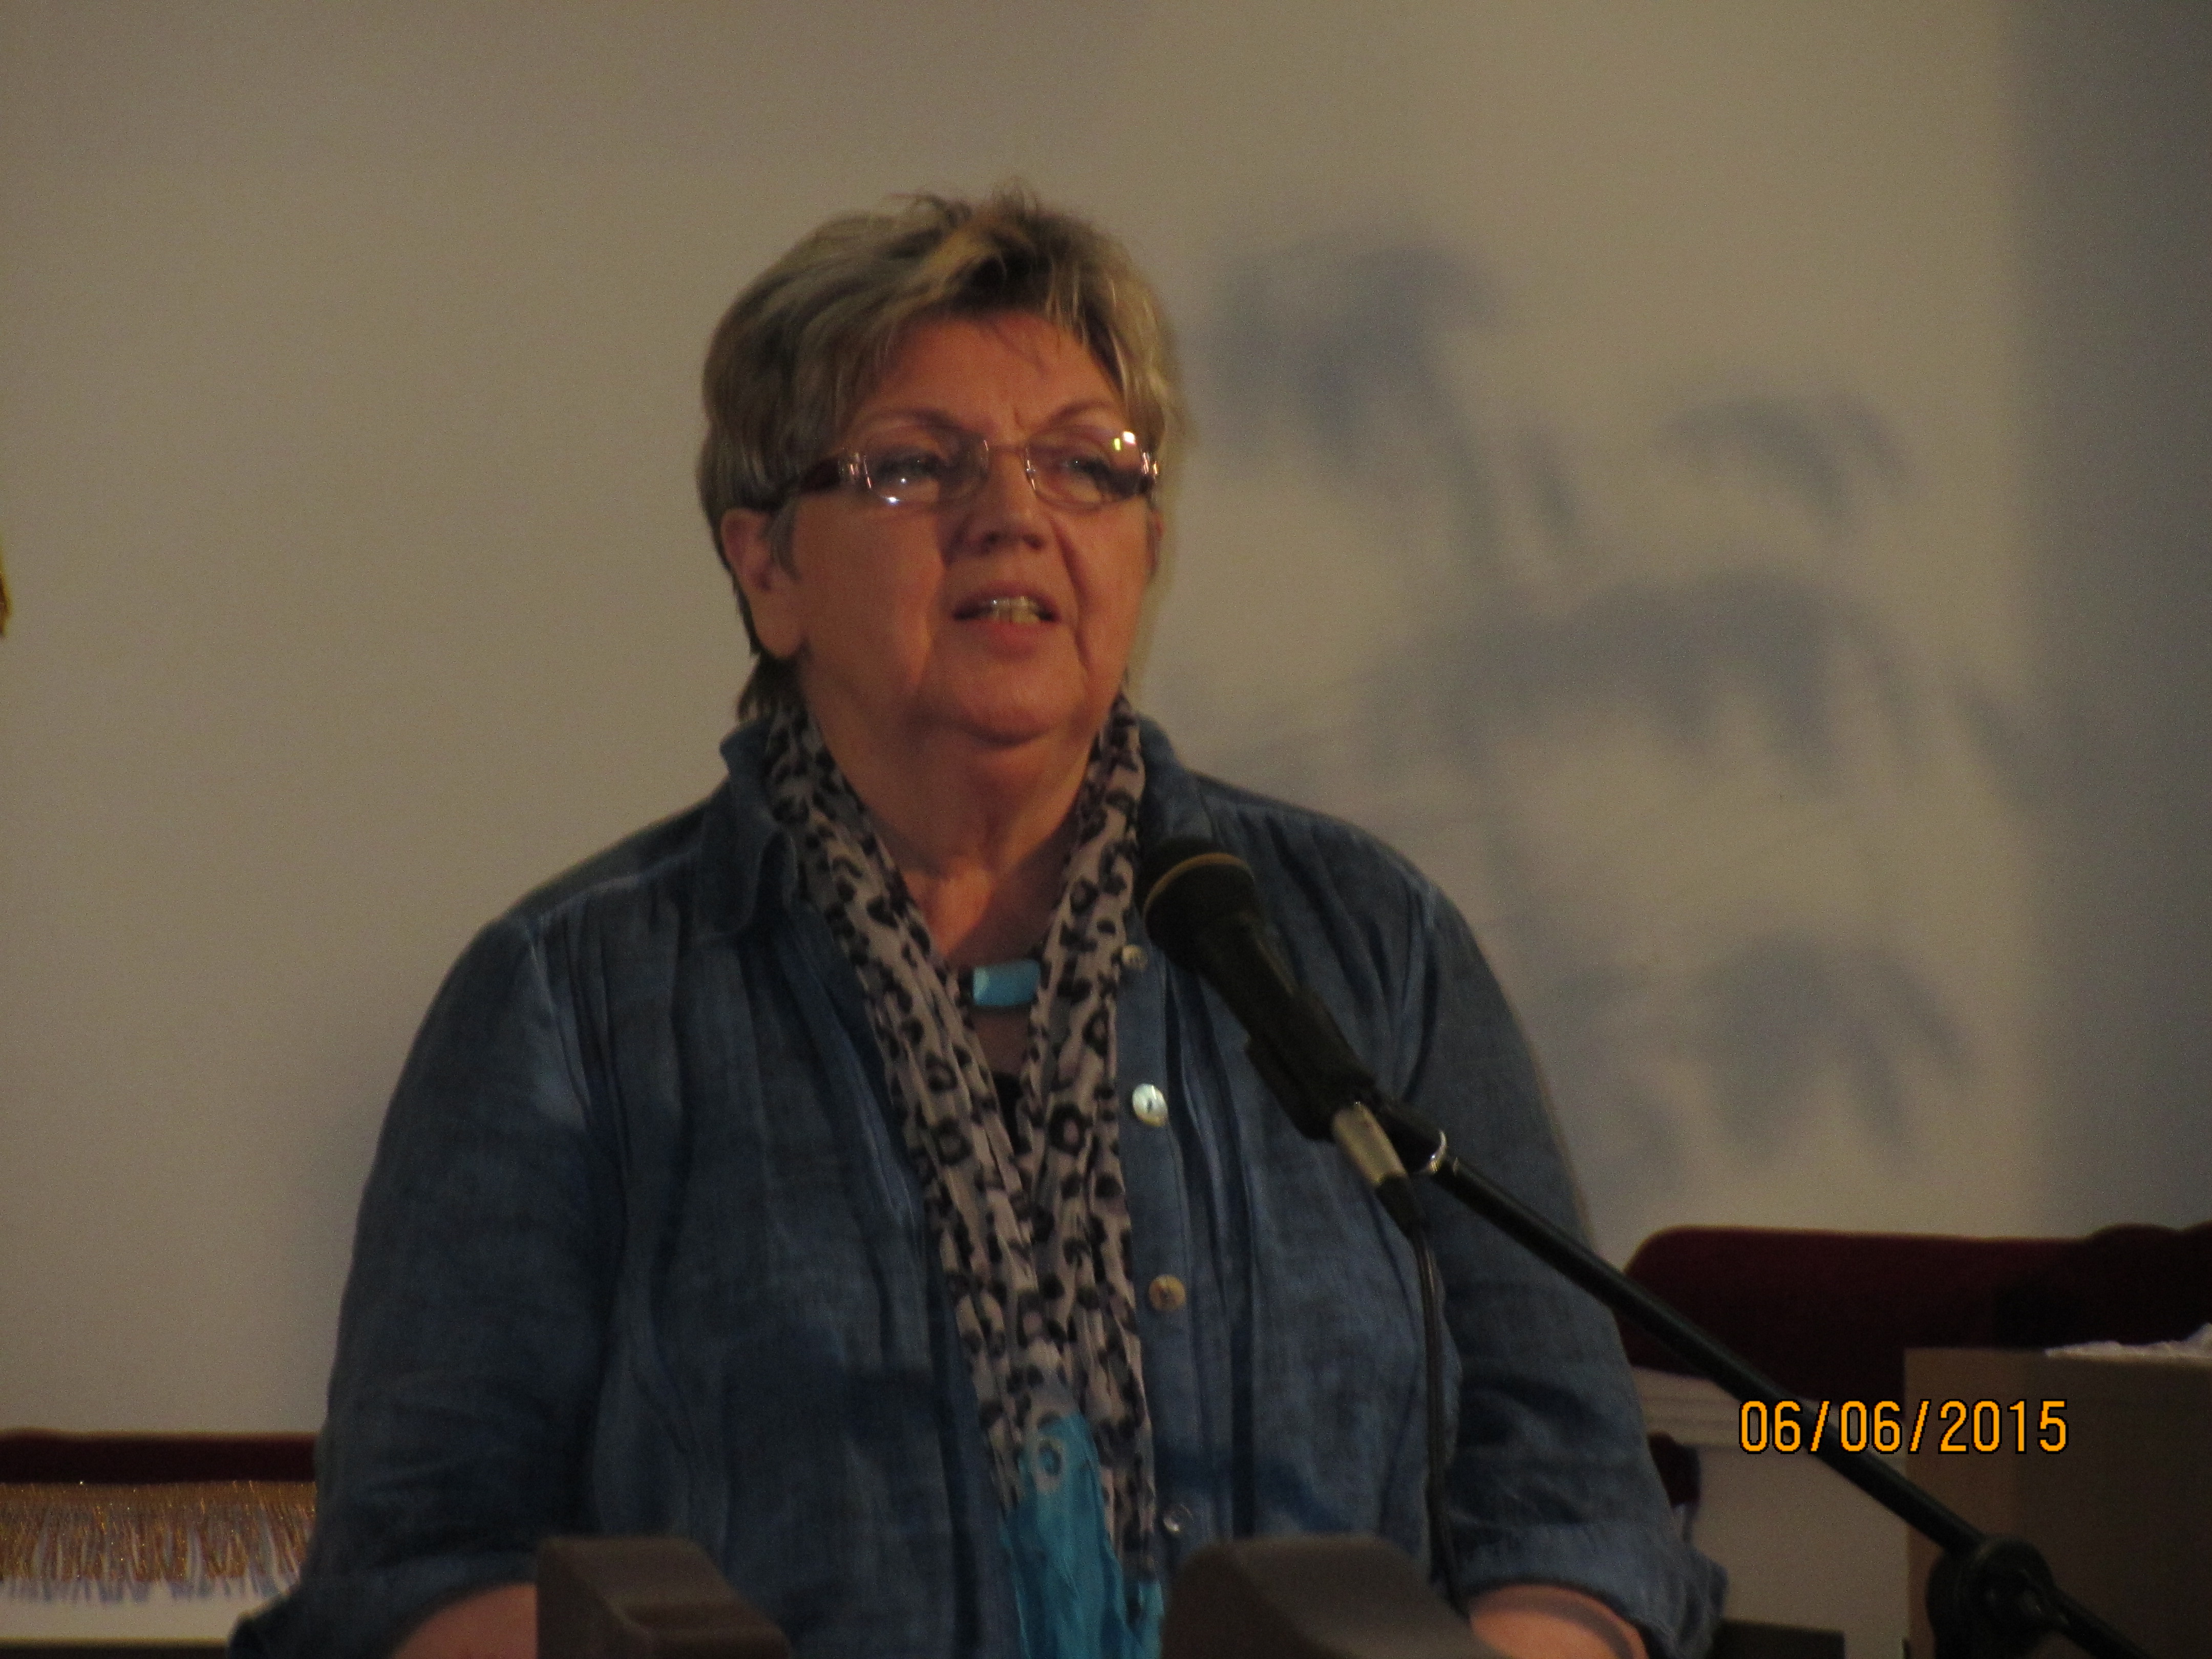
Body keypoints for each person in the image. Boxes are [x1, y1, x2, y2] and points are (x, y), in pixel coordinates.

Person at [232, 190, 1720, 1659]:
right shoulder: (572, 1003)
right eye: (914, 466)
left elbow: (1575, 1501)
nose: (1014, 517)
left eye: (1085, 466)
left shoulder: (1359, 946)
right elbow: (412, 1568)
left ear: (1144, 546)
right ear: (768, 569)